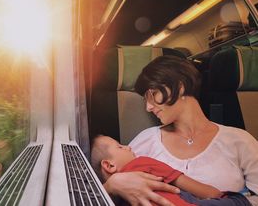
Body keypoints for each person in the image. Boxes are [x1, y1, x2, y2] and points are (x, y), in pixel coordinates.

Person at [102, 55, 258, 206]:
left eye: (152, 94)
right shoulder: (146, 139)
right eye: (145, 100)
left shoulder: (240, 140)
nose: (148, 107)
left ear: (179, 86)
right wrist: (111, 185)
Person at [91, 135, 251, 206]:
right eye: (120, 146)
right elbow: (199, 189)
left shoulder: (112, 199)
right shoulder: (142, 162)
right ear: (109, 166)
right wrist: (219, 196)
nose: (128, 146)